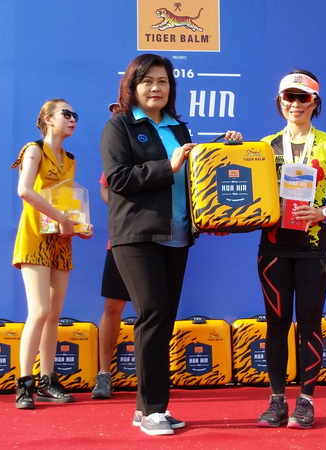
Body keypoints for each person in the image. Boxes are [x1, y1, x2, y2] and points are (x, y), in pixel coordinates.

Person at [100, 53, 241, 436]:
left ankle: (145, 407)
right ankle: (153, 411)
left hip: (177, 236)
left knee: (162, 321)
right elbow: (118, 179)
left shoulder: (178, 127)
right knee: (153, 315)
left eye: (163, 81)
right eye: (147, 81)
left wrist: (211, 211)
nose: (156, 88)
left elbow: (193, 178)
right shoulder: (120, 125)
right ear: (132, 86)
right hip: (137, 235)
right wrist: (169, 166)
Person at [255, 70, 326, 429]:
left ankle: (306, 401)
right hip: (273, 246)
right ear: (279, 101)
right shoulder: (265, 146)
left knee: (310, 324)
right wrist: (234, 145)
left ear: (315, 103)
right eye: (289, 97)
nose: (296, 104)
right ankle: (276, 401)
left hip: (314, 248)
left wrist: (322, 212)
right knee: (276, 324)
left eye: (303, 98)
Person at [11, 98, 93, 410]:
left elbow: (65, 200)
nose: (73, 119)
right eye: (66, 114)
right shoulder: (34, 150)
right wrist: (63, 219)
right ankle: (24, 383)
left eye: (75, 115)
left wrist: (80, 225)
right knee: (40, 311)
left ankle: (47, 381)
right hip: (35, 236)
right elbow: (25, 190)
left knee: (54, 314)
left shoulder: (69, 159)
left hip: (60, 241)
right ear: (48, 118)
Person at [90, 170, 130, 400]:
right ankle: (104, 374)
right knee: (113, 306)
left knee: (155, 310)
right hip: (122, 238)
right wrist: (120, 203)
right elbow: (105, 187)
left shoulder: (171, 152)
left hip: (161, 240)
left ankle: (153, 375)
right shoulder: (122, 151)